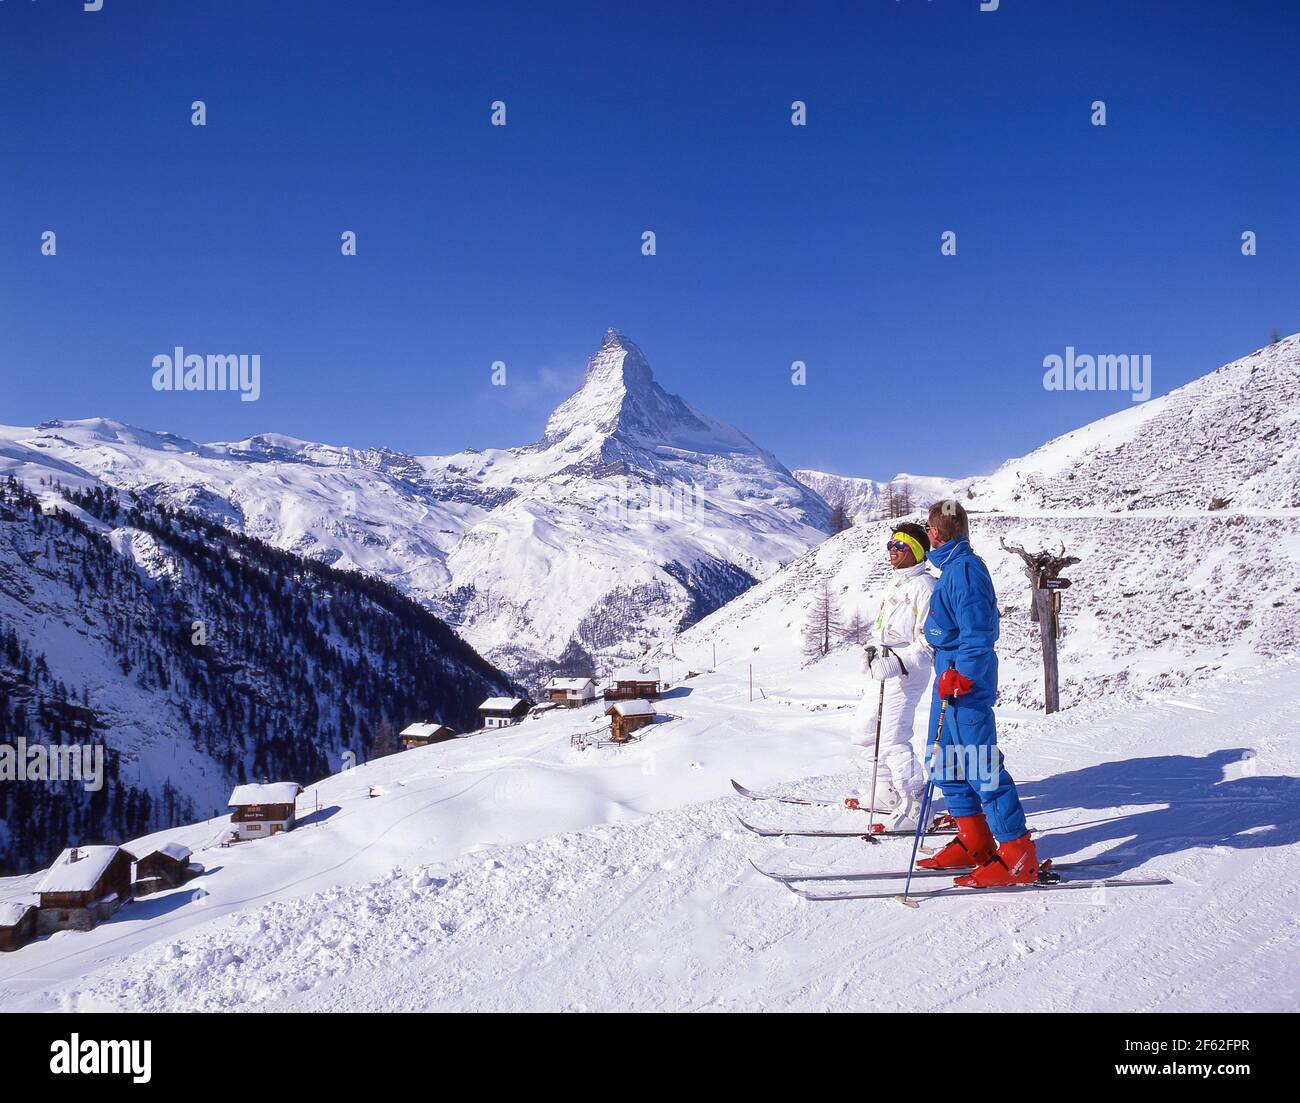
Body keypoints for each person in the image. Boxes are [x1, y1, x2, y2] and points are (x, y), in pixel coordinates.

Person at [916, 500, 1039, 887]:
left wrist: (962, 675)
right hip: (946, 673)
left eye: (928, 529)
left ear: (936, 533)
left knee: (979, 762)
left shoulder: (966, 571)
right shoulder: (952, 568)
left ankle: (1017, 852)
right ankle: (975, 840)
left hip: (963, 680)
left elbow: (980, 632)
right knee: (942, 759)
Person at [853, 521, 936, 833]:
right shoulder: (895, 586)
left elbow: (930, 643)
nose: (892, 551)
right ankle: (886, 792)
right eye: (890, 545)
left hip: (907, 674)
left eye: (900, 546)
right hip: (883, 668)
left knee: (893, 739)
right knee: (863, 731)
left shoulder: (926, 588)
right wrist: (871, 650)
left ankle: (916, 804)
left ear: (915, 551)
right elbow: (881, 629)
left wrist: (900, 663)